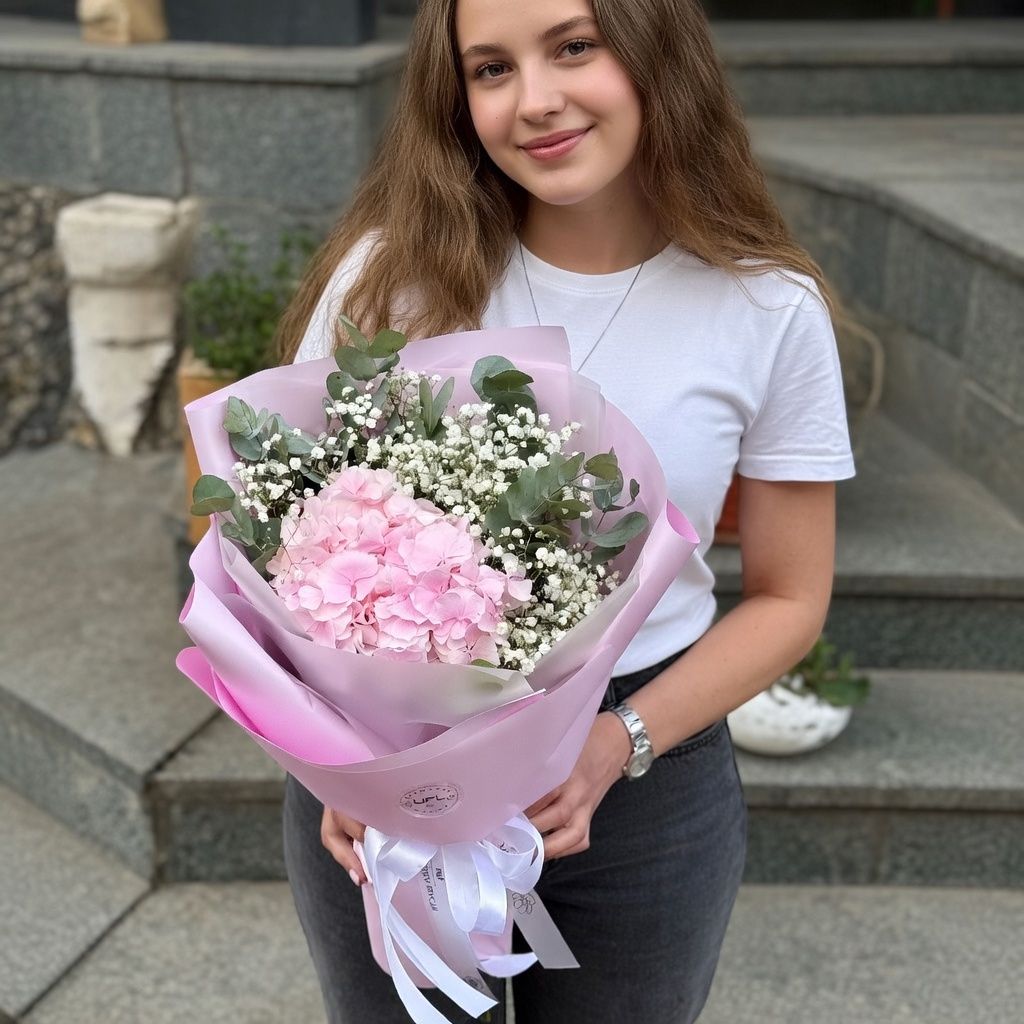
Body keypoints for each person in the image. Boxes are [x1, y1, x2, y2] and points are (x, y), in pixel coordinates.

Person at [274, 0, 855, 1021]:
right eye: (490, 69)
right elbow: (284, 543)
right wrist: (337, 759)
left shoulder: (766, 309)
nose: (534, 101)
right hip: (389, 767)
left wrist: (614, 741)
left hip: (647, 776)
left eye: (574, 47)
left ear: (656, 52)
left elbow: (789, 597)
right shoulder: (389, 280)